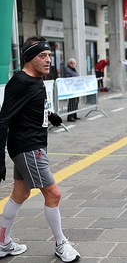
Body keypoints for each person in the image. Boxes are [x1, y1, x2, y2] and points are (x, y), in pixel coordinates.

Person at [0, 35, 80, 262]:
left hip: (30, 146)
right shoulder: (21, 81)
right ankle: (61, 243)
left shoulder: (35, 80)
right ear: (28, 58)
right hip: (29, 148)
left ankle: (3, 243)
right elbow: (3, 119)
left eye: (49, 56)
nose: (48, 60)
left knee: (20, 193)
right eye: (42, 56)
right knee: (54, 194)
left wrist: (50, 115)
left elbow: (26, 109)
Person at [63, 58, 81, 122]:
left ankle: (74, 115)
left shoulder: (73, 70)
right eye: (71, 63)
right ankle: (70, 116)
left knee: (76, 102)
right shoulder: (67, 70)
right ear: (68, 64)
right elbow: (67, 79)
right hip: (71, 89)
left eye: (74, 63)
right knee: (72, 103)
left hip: (76, 89)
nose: (73, 64)